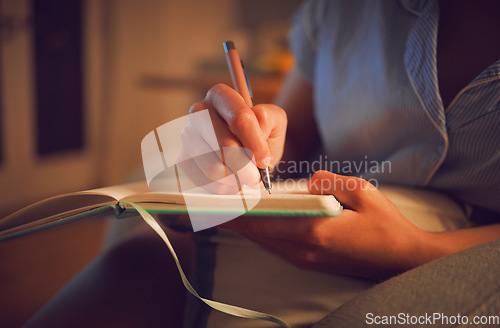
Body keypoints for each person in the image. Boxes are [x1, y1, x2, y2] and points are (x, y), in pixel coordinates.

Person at [25, 0, 499, 327]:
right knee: (143, 248)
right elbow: (286, 150)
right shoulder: (341, 10)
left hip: (467, 253)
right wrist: (238, 147)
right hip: (318, 210)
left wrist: (414, 251)